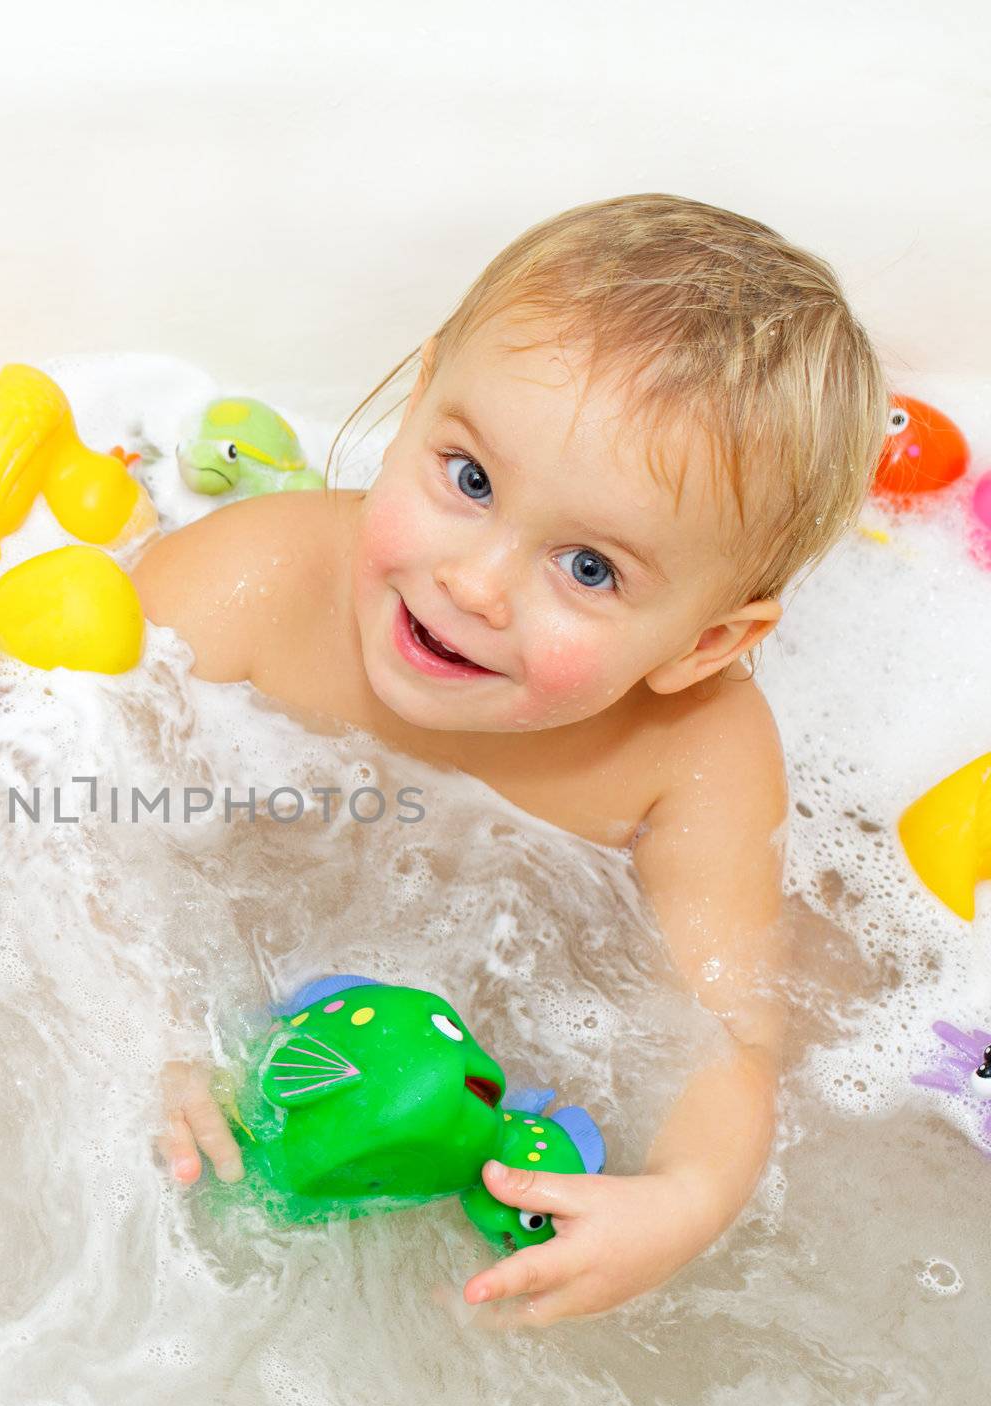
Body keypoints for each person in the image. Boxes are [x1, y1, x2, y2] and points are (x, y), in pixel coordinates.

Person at [134, 194, 885, 1327]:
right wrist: (151, 1033)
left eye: (588, 568)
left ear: (705, 643)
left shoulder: (698, 755)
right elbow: (56, 810)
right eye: (470, 479)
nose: (474, 584)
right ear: (416, 397)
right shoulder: (248, 582)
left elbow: (726, 1026)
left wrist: (683, 1200)